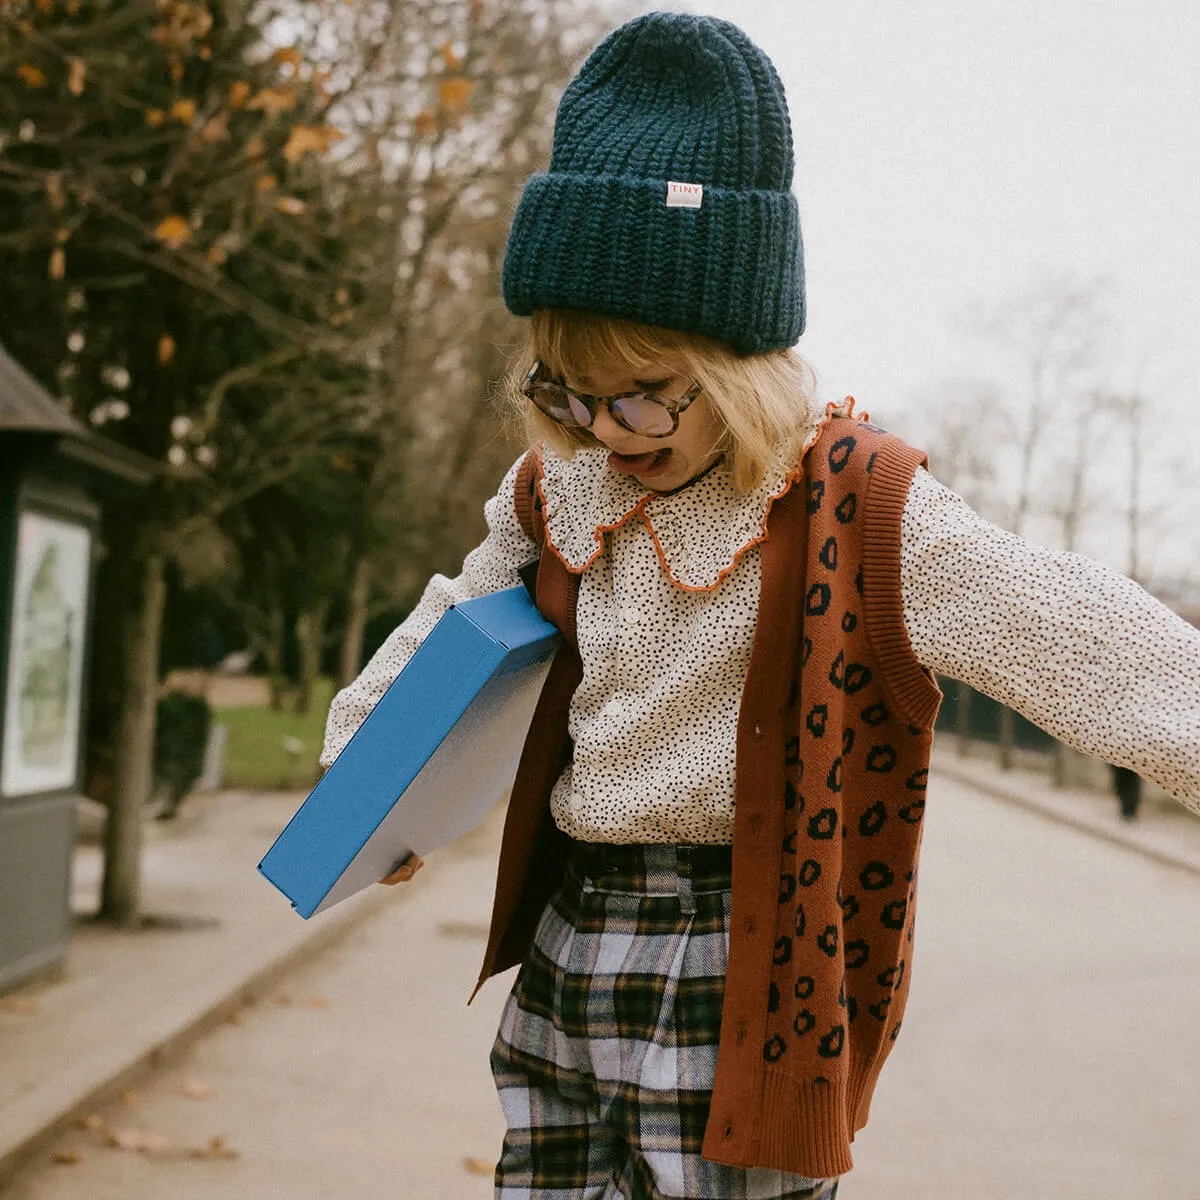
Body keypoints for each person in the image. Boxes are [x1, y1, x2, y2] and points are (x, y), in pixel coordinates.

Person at [320, 13, 1200, 1198]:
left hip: (743, 972)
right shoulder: (559, 491)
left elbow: (1080, 640)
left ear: (738, 361)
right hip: (571, 940)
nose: (603, 433)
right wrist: (360, 788)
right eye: (567, 396)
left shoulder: (861, 505)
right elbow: (451, 624)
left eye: (640, 398)